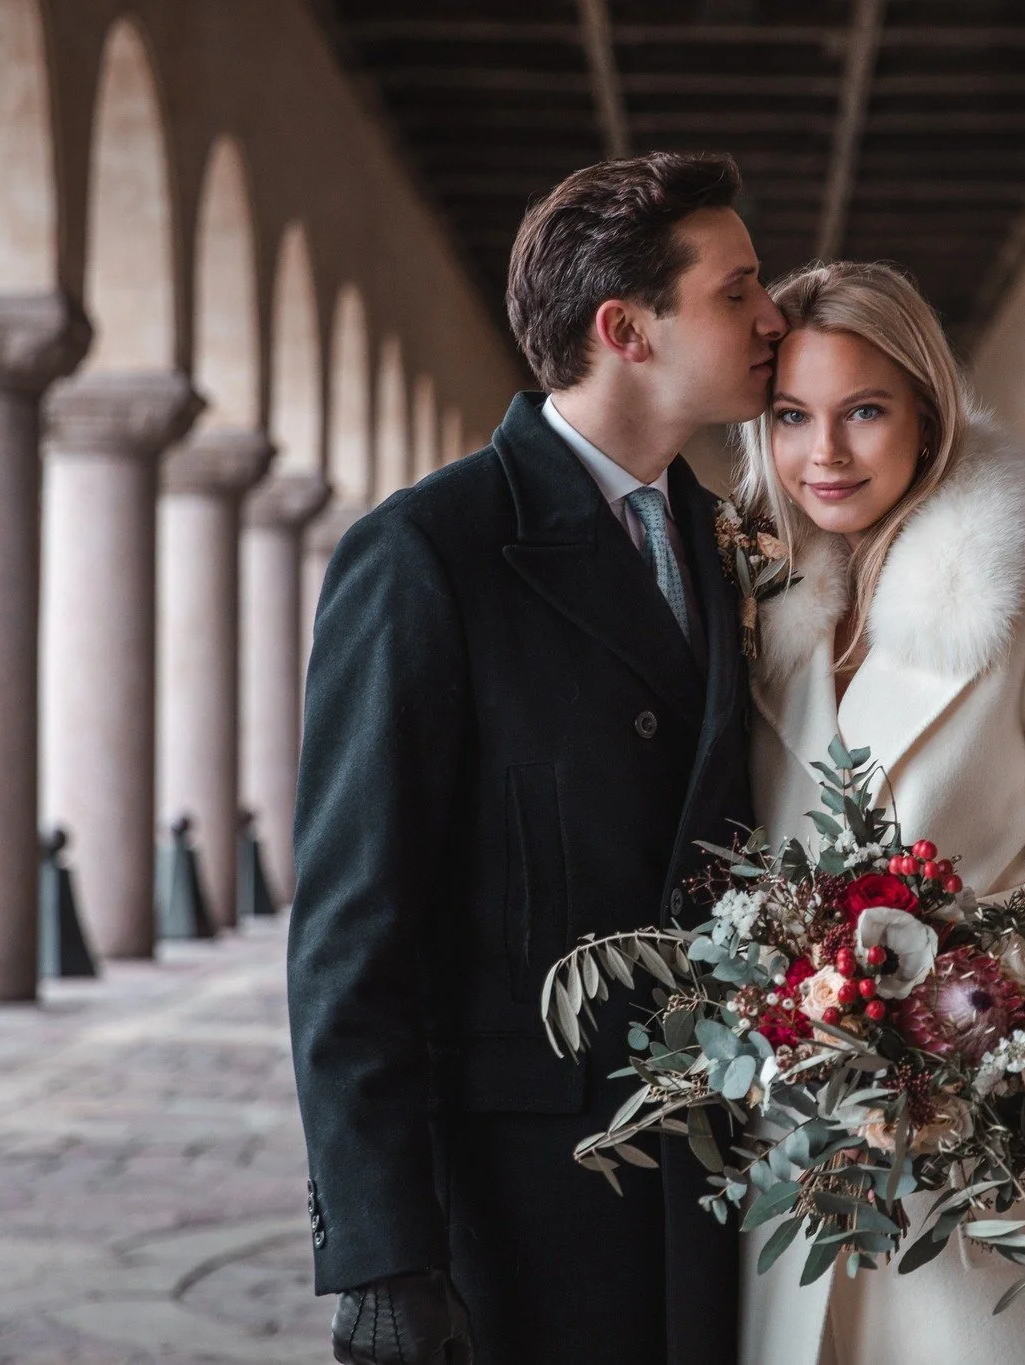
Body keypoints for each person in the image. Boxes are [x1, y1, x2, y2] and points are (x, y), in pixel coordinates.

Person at [287, 152, 786, 1365]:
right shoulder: (427, 551)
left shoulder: (725, 544)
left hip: (723, 1176)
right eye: (737, 291)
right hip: (524, 1191)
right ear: (626, 329)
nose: (775, 318)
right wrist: (382, 1249)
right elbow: (353, 931)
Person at [732, 261, 1025, 1364]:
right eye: (790, 416)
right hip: (793, 1138)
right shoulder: (753, 616)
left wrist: (944, 1020)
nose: (822, 454)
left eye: (863, 412)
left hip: (993, 1136)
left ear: (926, 417)